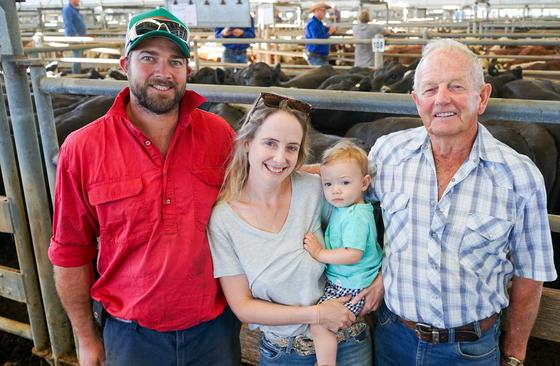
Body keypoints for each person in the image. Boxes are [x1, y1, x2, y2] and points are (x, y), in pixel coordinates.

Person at [49, 8, 241, 366]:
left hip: (214, 330)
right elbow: (70, 252)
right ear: (125, 65)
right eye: (148, 58)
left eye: (175, 61)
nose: (163, 73)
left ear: (188, 70)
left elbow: (255, 205)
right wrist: (87, 338)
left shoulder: (220, 135)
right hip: (130, 335)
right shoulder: (83, 148)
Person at [367, 38, 557, 365]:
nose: (441, 99)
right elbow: (341, 195)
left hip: (471, 350)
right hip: (393, 337)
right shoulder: (387, 154)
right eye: (429, 90)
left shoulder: (519, 177)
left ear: (482, 97)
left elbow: (530, 274)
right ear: (416, 101)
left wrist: (514, 355)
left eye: (456, 86)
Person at [207, 92, 372, 366]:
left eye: (292, 148)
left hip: (349, 339)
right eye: (270, 144)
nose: (281, 158)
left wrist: (378, 281)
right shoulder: (224, 219)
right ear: (247, 143)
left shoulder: (313, 188)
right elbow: (243, 307)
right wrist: (316, 315)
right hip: (285, 353)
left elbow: (366, 215)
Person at [303, 141, 382, 366]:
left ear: (365, 183)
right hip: (347, 280)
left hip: (353, 286)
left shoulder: (356, 216)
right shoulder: (346, 206)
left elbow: (352, 254)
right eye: (328, 184)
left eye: (345, 182)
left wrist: (319, 253)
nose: (335, 190)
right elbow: (328, 172)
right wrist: (308, 170)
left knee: (319, 322)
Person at [61, 0, 87, 74]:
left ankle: (77, 74)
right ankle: (76, 75)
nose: (79, 1)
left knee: (78, 57)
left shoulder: (74, 10)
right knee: (77, 57)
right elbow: (68, 24)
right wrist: (74, 36)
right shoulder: (67, 9)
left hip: (79, 38)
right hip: (74, 38)